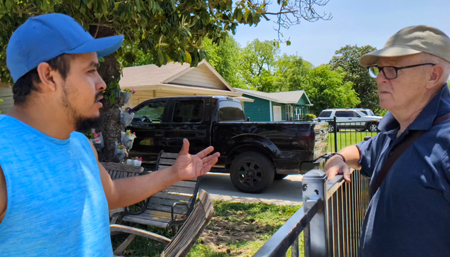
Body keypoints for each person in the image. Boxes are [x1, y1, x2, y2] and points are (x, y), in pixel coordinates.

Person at [0, 13, 220, 256]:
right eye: (90, 71)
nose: (102, 83)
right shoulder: (4, 157)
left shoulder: (80, 145)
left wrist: (173, 174)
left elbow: (112, 194)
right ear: (49, 76)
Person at [325, 25, 450, 257]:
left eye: (392, 69)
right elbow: (361, 151)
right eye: (379, 70)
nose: (380, 79)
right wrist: (338, 158)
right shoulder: (396, 133)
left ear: (434, 75)